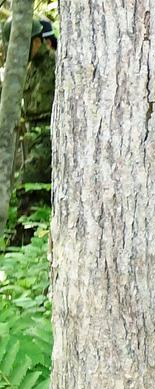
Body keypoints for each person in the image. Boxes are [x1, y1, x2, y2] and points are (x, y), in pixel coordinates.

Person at [3, 17, 56, 239]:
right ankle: (34, 237)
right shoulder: (28, 68)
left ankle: (21, 239)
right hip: (31, 134)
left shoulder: (56, 64)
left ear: (36, 41)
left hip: (48, 132)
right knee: (35, 191)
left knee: (27, 180)